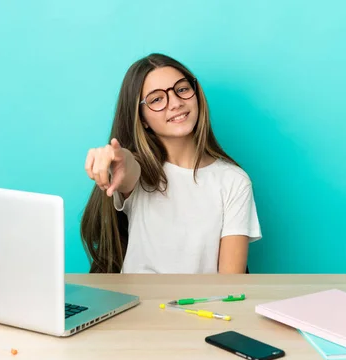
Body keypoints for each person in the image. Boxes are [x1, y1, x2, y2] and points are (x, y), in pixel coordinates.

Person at [80, 53, 261, 274]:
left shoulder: (234, 181)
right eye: (156, 99)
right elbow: (128, 167)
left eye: (182, 89)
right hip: (139, 306)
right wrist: (117, 158)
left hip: (199, 308)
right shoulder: (140, 171)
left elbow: (230, 284)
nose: (175, 103)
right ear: (142, 118)